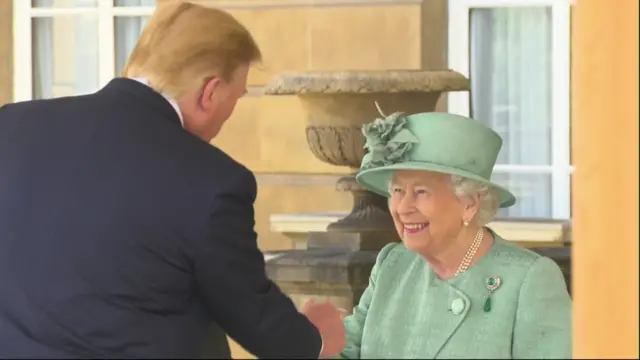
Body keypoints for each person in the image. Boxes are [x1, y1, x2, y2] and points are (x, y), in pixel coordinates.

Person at [0, 2, 345, 358]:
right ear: (209, 93)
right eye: (237, 96)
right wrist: (316, 341)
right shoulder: (211, 181)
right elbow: (253, 314)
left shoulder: (11, 127)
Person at [337, 110, 572, 359]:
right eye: (397, 190)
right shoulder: (393, 265)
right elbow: (344, 350)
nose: (403, 207)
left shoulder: (529, 280)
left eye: (421, 192)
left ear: (468, 203)